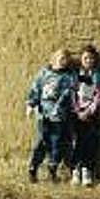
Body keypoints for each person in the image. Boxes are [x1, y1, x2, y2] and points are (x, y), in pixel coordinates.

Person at [25, 48, 76, 182]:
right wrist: (31, 104)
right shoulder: (44, 73)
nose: (64, 62)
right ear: (53, 60)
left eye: (66, 59)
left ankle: (52, 169)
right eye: (61, 59)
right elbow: (36, 89)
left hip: (60, 117)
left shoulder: (70, 76)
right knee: (42, 141)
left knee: (57, 143)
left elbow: (72, 94)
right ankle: (33, 167)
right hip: (44, 115)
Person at [70, 45, 100, 187]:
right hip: (77, 114)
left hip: (91, 114)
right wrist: (77, 111)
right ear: (81, 59)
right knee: (76, 142)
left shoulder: (97, 75)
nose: (88, 60)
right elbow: (72, 94)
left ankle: (87, 170)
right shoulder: (76, 75)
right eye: (85, 58)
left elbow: (99, 95)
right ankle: (75, 170)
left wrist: (89, 111)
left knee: (90, 142)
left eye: (91, 58)